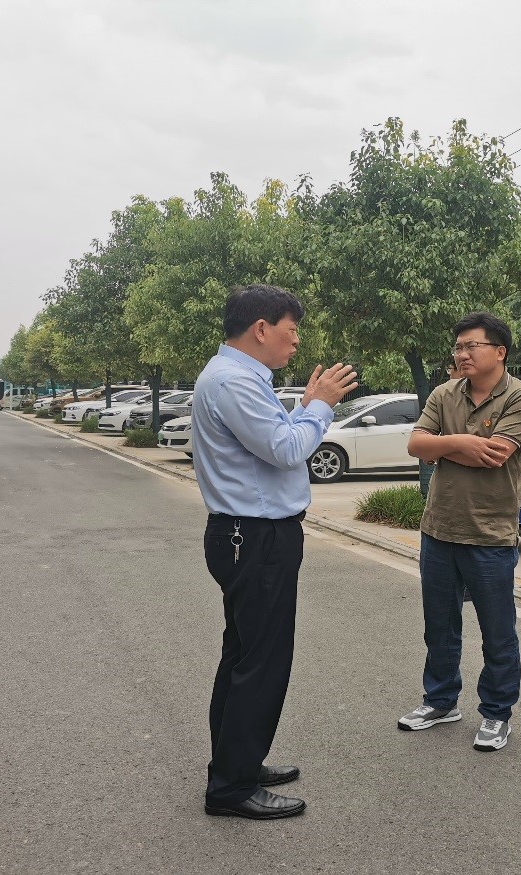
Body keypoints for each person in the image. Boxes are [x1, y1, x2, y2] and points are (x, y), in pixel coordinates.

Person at [191, 284, 357, 820]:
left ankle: (237, 763)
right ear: (261, 328)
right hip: (256, 538)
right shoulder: (234, 381)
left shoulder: (237, 378)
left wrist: (304, 407)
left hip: (248, 535)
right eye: (292, 330)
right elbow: (287, 449)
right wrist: (322, 407)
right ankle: (231, 787)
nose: (296, 341)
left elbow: (275, 436)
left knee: (244, 656)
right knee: (260, 663)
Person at [399, 312, 521, 752]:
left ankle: (497, 713)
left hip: (489, 534)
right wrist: (461, 442)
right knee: (439, 626)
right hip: (439, 528)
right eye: (458, 347)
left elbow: (495, 455)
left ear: (499, 351)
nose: (461, 354)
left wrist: (441, 446)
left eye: (470, 346)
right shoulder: (445, 393)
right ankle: (440, 701)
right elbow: (416, 445)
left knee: (498, 631)